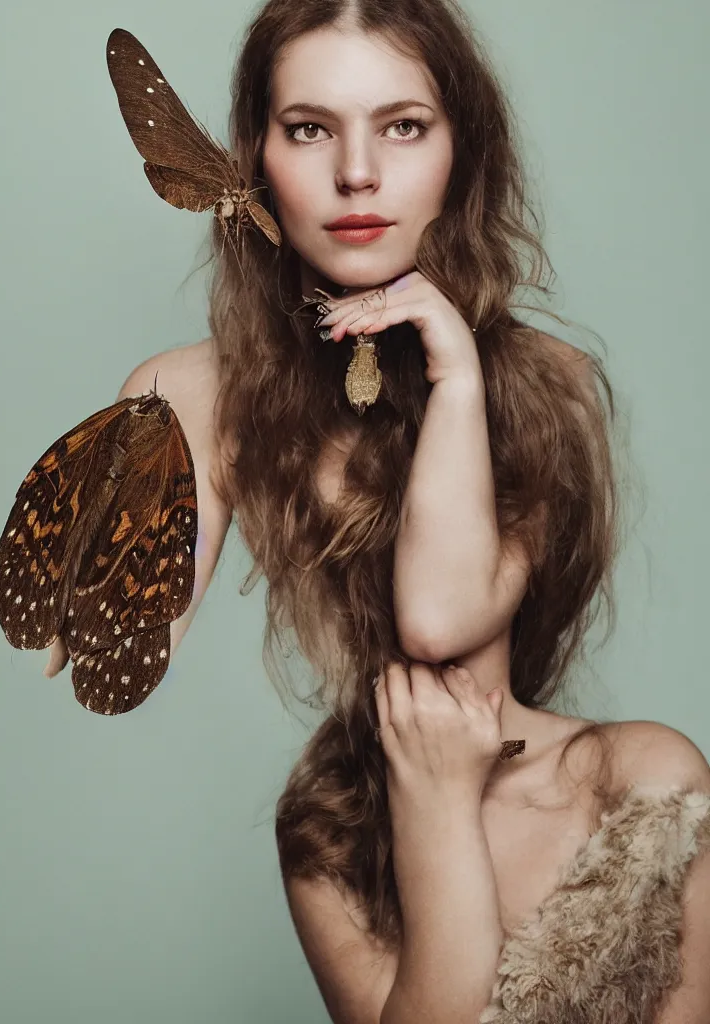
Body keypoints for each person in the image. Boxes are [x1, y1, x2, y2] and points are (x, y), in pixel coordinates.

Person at [47, 1, 710, 1020]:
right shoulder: (327, 841)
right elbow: (113, 648)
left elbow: (438, 618)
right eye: (309, 128)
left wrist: (451, 366)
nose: (357, 173)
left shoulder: (543, 384)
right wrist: (182, 406)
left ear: (461, 150)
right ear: (256, 156)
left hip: (528, 772)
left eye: (402, 125)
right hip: (375, 796)